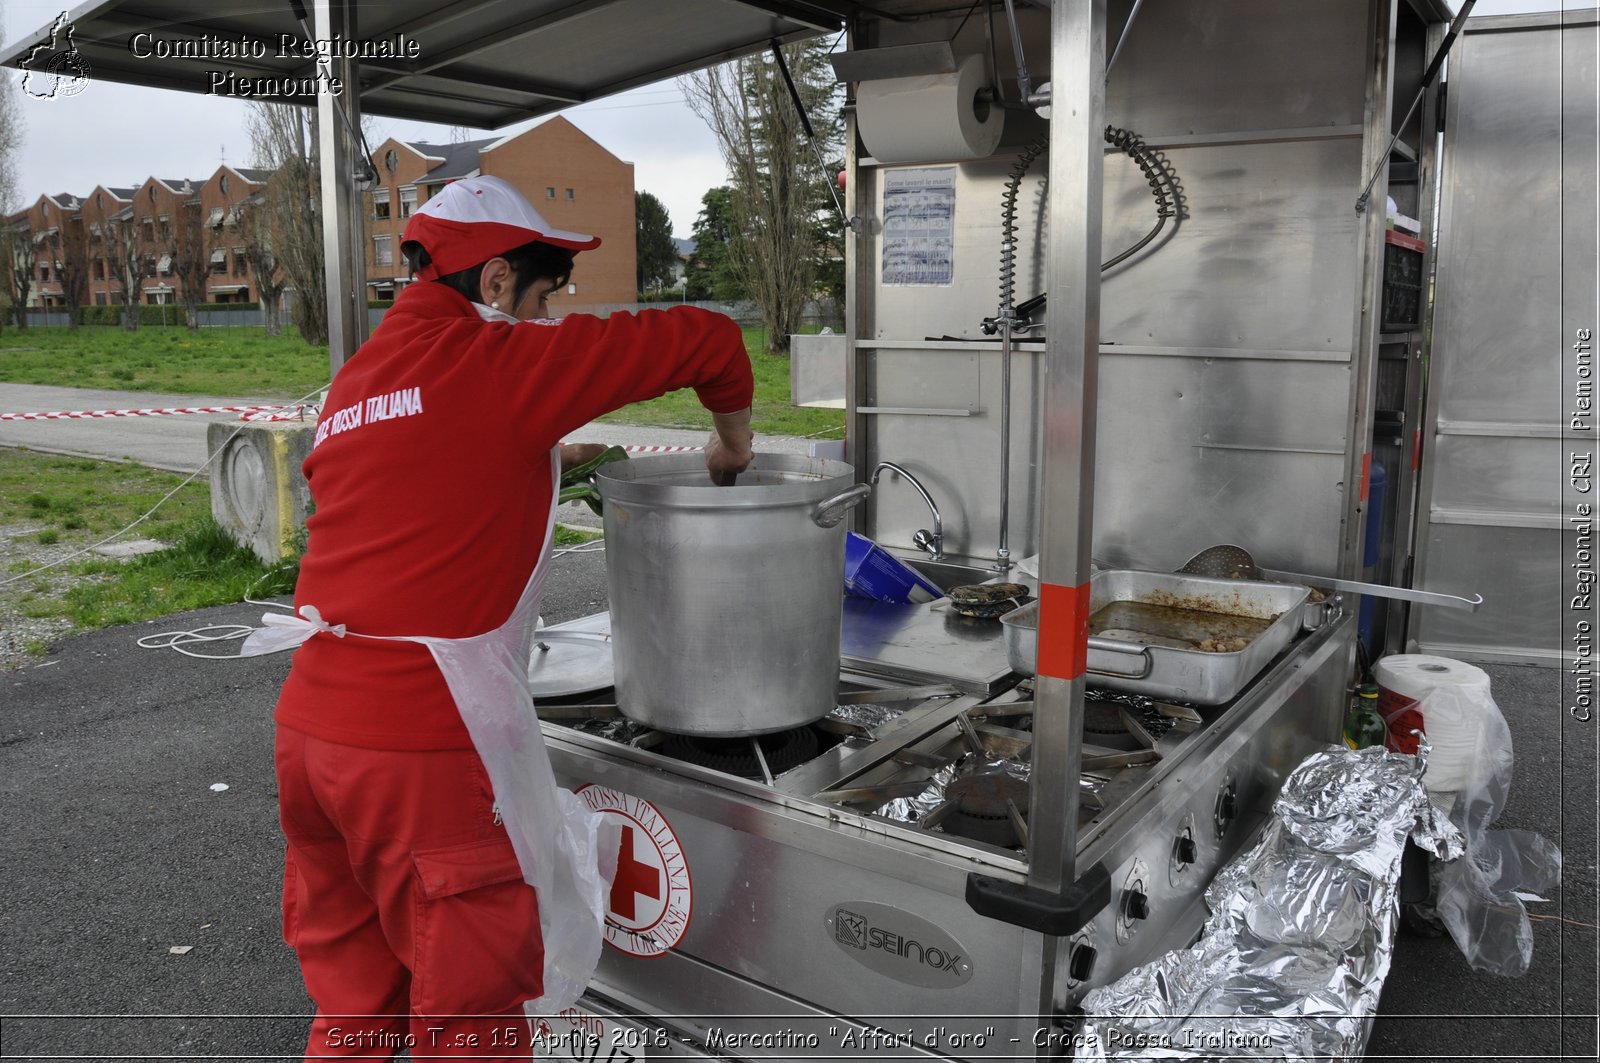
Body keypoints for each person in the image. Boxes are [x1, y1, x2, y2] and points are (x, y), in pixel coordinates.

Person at [267, 175, 754, 1059]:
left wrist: (540, 458)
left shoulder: (354, 385)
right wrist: (732, 442)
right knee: (472, 1019)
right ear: (494, 283)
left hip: (311, 738)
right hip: (420, 752)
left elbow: (413, 487)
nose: (541, 320)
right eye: (539, 299)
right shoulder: (495, 364)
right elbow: (708, 338)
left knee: (354, 1008)